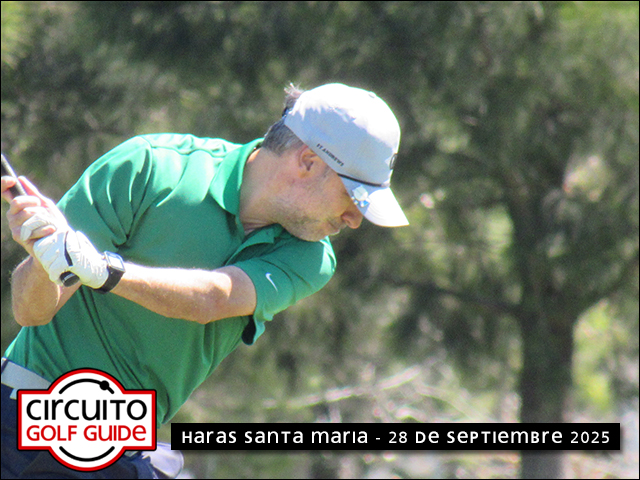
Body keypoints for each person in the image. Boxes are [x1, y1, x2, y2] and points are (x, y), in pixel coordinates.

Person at [0, 83, 409, 478]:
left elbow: (215, 298)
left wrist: (105, 272)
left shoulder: (311, 256)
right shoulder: (152, 167)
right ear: (307, 161)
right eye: (352, 196)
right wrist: (44, 257)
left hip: (117, 445)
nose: (354, 220)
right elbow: (30, 312)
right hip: (24, 421)